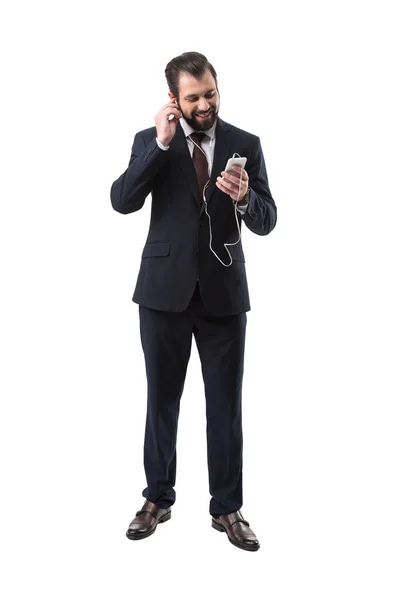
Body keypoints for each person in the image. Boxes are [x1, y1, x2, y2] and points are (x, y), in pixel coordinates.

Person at [110, 51, 277, 552]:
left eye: (210, 93)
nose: (204, 105)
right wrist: (161, 145)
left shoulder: (245, 144)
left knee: (225, 408)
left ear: (217, 87)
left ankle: (227, 507)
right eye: (193, 98)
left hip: (224, 294)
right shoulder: (151, 142)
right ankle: (156, 498)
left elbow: (268, 220)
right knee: (161, 401)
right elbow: (122, 200)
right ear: (174, 100)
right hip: (163, 295)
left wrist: (246, 197)